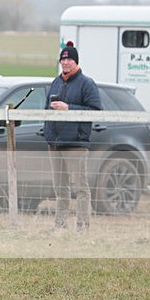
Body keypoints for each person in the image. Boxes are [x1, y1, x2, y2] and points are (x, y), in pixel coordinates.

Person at [43, 41, 102, 232]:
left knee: (80, 187)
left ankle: (82, 226)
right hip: (55, 143)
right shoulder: (56, 82)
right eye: (63, 59)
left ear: (76, 62)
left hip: (76, 143)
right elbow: (46, 108)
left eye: (69, 59)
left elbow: (96, 110)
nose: (66, 62)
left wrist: (69, 108)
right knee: (60, 188)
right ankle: (60, 225)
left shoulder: (87, 84)